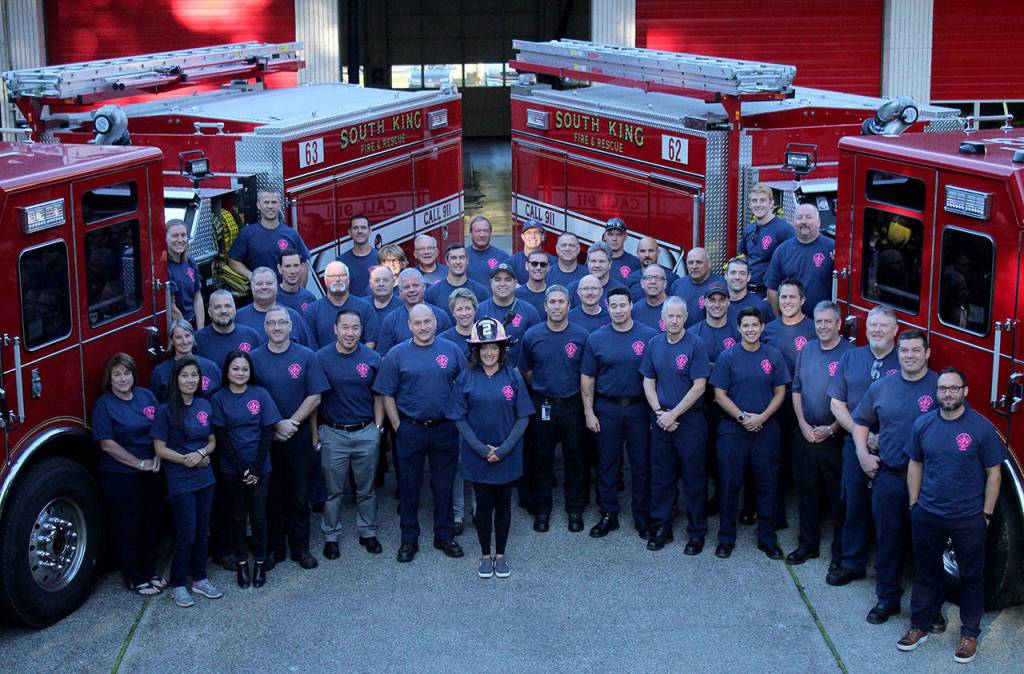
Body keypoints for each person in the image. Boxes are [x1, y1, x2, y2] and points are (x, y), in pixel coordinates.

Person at [898, 368, 1004, 663]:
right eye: (943, 388)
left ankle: (969, 634)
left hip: (969, 517)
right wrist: (914, 504)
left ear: (965, 392)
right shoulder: (923, 424)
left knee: (971, 577)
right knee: (926, 573)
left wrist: (986, 514)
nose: (948, 393)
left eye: (954, 388)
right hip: (928, 514)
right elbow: (915, 465)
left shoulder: (981, 428)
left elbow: (994, 474)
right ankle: (919, 626)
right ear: (937, 392)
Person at [852, 329, 939, 625]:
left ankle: (929, 609)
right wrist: (863, 454)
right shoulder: (882, 386)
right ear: (897, 352)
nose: (910, 356)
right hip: (888, 477)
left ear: (927, 353)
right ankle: (887, 600)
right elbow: (861, 421)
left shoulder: (940, 387)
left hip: (928, 482)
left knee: (926, 547)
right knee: (887, 542)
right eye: (904, 351)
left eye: (916, 350)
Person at [374, 304, 468, 563]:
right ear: (409, 326)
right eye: (418, 323)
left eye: (428, 321)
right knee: (409, 486)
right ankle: (409, 539)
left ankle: (444, 536)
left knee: (443, 485)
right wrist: (397, 425)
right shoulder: (396, 354)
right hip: (410, 429)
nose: (423, 327)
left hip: (444, 429)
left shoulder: (451, 350)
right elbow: (386, 392)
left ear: (436, 322)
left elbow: (464, 385)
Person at [448, 318, 534, 578]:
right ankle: (485, 554)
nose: (488, 352)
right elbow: (459, 418)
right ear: (476, 350)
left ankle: (501, 554)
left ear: (502, 349)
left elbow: (523, 417)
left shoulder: (513, 376)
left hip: (507, 455)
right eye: (483, 347)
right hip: (478, 457)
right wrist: (482, 450)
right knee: (483, 506)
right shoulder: (466, 377)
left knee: (504, 505)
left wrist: (504, 449)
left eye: (494, 347)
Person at [826, 305, 900, 587]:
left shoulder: (904, 360)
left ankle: (886, 572)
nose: (876, 330)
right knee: (853, 503)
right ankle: (852, 562)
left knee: (889, 513)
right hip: (855, 442)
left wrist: (883, 440)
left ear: (895, 331)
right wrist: (864, 438)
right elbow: (836, 403)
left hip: (893, 448)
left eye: (883, 326)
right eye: (872, 325)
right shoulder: (851, 357)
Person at [251, 306, 328, 571]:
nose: (277, 327)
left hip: (298, 437)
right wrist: (275, 425)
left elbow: (315, 395)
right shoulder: (254, 358)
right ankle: (275, 549)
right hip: (267, 438)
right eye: (271, 323)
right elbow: (250, 397)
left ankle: (300, 548)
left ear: (291, 326)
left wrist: (291, 423)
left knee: (299, 495)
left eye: (282, 322)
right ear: (265, 328)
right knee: (271, 496)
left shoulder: (306, 356)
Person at [710, 307, 790, 560]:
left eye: (755, 325)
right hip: (733, 429)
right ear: (739, 328)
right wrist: (743, 418)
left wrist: (762, 417)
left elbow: (780, 391)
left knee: (767, 485)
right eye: (746, 325)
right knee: (729, 484)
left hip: (766, 429)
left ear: (762, 327)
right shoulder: (728, 356)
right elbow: (719, 395)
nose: (751, 330)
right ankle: (725, 538)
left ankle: (767, 538)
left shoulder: (774, 356)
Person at [581, 287, 658, 539]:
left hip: (638, 408)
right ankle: (608, 513)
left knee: (641, 464)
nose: (618, 310)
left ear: (631, 305)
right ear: (608, 307)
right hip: (607, 408)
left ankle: (642, 515)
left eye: (622, 305)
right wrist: (589, 411)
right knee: (607, 464)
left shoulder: (649, 336)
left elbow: (655, 376)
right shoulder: (597, 338)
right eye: (613, 306)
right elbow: (588, 377)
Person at [641, 297, 711, 554]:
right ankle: (661, 526)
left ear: (686, 318)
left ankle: (696, 532)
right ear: (662, 318)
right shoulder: (654, 344)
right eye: (669, 316)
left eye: (678, 316)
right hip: (660, 419)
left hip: (689, 420)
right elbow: (648, 381)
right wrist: (660, 412)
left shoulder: (696, 344)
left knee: (693, 479)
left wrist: (674, 415)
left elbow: (699, 386)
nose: (673, 320)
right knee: (661, 477)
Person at [151, 356, 221, 608]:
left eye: (194, 375)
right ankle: (178, 583)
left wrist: (201, 454)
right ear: (176, 379)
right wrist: (187, 459)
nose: (190, 380)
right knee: (186, 533)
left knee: (203, 531)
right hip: (181, 479)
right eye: (185, 375)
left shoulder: (204, 405)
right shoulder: (165, 410)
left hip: (205, 476)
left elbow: (212, 440)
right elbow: (159, 448)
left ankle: (200, 578)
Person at [519, 286, 590, 533]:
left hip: (572, 405)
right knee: (541, 459)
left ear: (569, 306)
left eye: (562, 302)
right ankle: (542, 510)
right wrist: (543, 387)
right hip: (543, 405)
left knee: (576, 459)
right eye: (553, 302)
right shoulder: (532, 335)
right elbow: (526, 370)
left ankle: (575, 509)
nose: (557, 306)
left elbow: (587, 372)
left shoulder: (582, 335)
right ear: (545, 306)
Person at [92, 353, 164, 596]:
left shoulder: (146, 396)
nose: (123, 378)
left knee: (152, 522)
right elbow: (107, 444)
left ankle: (150, 571)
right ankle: (134, 577)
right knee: (129, 526)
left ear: (134, 374)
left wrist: (158, 457)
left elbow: (159, 429)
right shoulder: (104, 404)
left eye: (127, 373)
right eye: (117, 374)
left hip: (152, 470)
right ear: (109, 378)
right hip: (121, 475)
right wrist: (138, 463)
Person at [316, 308, 385, 560]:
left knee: (366, 489)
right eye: (345, 327)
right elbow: (315, 397)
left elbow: (379, 394)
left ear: (361, 330)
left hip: (366, 431)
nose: (350, 332)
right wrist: (317, 432)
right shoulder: (321, 358)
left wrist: (378, 428)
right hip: (334, 432)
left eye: (355, 328)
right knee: (333, 491)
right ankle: (331, 536)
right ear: (335, 329)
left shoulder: (372, 358)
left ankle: (367, 531)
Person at [210, 351, 281, 589]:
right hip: (232, 468)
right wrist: (241, 468)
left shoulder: (260, 395)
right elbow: (221, 436)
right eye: (235, 368)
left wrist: (255, 467)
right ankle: (242, 562)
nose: (240, 373)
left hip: (261, 467)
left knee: (259, 517)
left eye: (244, 369)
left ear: (251, 372)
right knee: (238, 517)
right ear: (227, 371)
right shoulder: (219, 398)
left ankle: (260, 562)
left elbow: (267, 431)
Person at [787, 301, 851, 567]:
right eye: (819, 322)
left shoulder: (850, 354)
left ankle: (839, 553)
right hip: (806, 433)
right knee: (807, 492)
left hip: (834, 437)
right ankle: (807, 544)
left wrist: (832, 429)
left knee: (838, 498)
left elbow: (853, 400)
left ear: (839, 324)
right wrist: (802, 423)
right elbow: (797, 388)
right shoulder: (807, 349)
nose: (823, 326)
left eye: (828, 322)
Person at [761, 277, 816, 528]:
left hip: (807, 408)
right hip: (777, 406)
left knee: (804, 466)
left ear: (803, 300)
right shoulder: (769, 330)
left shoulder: (815, 329)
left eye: (793, 297)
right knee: (775, 462)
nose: (787, 302)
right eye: (783, 297)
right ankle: (776, 516)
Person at [766, 203, 834, 317]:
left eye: (809, 217)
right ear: (793, 223)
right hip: (792, 322)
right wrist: (779, 320)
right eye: (799, 217)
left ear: (819, 222)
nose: (803, 221)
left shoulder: (833, 248)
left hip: (823, 323)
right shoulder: (782, 251)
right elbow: (772, 290)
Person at [228, 189, 310, 284]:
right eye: (266, 202)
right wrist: (251, 275)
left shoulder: (291, 234)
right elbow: (233, 261)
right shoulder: (247, 233)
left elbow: (303, 266)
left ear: (279, 205)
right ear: (258, 205)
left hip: (285, 294)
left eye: (274, 202)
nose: (270, 206)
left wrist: (298, 293)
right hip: (259, 292)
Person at [476, 262, 541, 363]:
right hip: (487, 372)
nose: (502, 284)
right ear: (490, 282)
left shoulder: (529, 311)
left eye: (508, 279)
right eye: (498, 279)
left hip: (519, 374)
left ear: (515, 283)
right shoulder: (479, 310)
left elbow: (537, 346)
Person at [303, 261, 378, 349]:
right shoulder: (312, 310)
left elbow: (370, 342)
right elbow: (310, 346)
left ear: (349, 279)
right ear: (325, 280)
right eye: (333, 276)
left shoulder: (365, 307)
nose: (338, 279)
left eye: (342, 275)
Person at [376, 269, 452, 354]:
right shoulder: (390, 321)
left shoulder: (441, 316)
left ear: (424, 287)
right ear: (400, 292)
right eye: (406, 287)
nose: (411, 290)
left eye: (415, 285)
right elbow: (383, 356)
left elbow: (450, 350)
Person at [235, 267, 314, 348]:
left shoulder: (292, 316)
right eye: (259, 284)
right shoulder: (238, 318)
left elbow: (310, 353)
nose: (264, 287)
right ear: (251, 286)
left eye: (269, 283)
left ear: (276, 286)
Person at [739, 183, 793, 295]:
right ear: (749, 204)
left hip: (769, 294)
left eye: (762, 200)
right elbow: (745, 257)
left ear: (771, 203)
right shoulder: (748, 230)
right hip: (748, 292)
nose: (758, 205)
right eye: (754, 201)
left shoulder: (784, 230)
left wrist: (776, 295)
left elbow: (792, 265)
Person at [151, 320, 221, 402]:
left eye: (187, 336)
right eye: (178, 337)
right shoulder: (160, 372)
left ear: (193, 337)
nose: (184, 341)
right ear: (171, 341)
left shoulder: (211, 367)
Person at [194, 290, 263, 372]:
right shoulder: (198, 340)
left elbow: (262, 368)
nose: (223, 311)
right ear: (209, 311)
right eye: (217, 307)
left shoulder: (251, 335)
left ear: (235, 309)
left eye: (227, 306)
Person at [425, 243, 489, 316]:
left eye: (461, 257)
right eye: (454, 258)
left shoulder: (481, 292)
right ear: (447, 261)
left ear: (467, 260)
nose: (458, 262)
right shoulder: (432, 293)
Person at [670, 247, 725, 327]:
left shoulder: (721, 285)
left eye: (699, 262)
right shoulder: (677, 285)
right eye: (690, 263)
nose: (694, 266)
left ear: (709, 264)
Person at [165, 219, 204, 328]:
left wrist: (200, 330)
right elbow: (172, 307)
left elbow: (197, 296)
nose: (180, 240)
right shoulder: (164, 267)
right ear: (165, 238)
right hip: (177, 327)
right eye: (175, 236)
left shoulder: (190, 261)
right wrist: (187, 332)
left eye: (183, 235)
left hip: (193, 322)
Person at [567, 243, 627, 308]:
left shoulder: (621, 290)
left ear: (610, 264)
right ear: (587, 262)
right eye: (593, 261)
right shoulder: (573, 289)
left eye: (602, 261)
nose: (597, 265)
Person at [626, 236, 678, 301]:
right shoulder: (630, 280)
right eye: (643, 251)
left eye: (651, 251)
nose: (647, 255)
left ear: (658, 252)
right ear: (637, 253)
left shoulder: (673, 279)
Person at [465, 215, 510, 286]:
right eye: (478, 231)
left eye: (485, 231)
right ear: (470, 234)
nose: (482, 235)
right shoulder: (462, 257)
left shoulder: (502, 257)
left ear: (490, 233)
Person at [724, 257, 772, 324]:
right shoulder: (717, 306)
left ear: (748, 277)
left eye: (742, 273)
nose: (737, 277)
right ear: (726, 275)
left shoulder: (760, 306)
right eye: (733, 272)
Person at [339, 215, 377, 297]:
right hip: (352, 309)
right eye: (355, 228)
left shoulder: (380, 258)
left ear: (370, 231)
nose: (359, 231)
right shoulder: (341, 261)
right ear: (349, 232)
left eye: (363, 227)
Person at [508, 220, 554, 285]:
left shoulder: (553, 262)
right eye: (528, 233)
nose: (533, 236)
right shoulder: (511, 263)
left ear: (543, 236)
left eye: (537, 232)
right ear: (523, 237)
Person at [439, 287, 478, 358]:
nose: (464, 313)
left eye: (468, 308)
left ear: (474, 310)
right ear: (453, 313)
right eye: (459, 309)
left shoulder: (484, 335)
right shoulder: (443, 339)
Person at [276, 248, 316, 314]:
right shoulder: (272, 297)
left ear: (302, 267)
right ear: (280, 268)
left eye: (296, 265)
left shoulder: (310, 298)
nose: (292, 271)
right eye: (287, 266)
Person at [603, 218, 642, 282]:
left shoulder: (635, 263)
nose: (614, 239)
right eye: (611, 234)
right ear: (605, 236)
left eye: (618, 234)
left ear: (625, 236)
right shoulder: (596, 262)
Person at [514, 249, 551, 316]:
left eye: (543, 264)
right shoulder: (515, 295)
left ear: (548, 268)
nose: (538, 268)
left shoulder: (553, 294)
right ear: (527, 266)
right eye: (534, 264)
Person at [632, 264, 669, 332]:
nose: (653, 282)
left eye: (658, 278)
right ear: (642, 283)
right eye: (648, 278)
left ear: (665, 283)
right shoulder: (635, 310)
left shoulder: (674, 307)